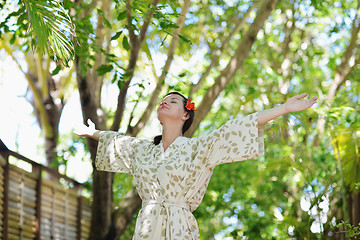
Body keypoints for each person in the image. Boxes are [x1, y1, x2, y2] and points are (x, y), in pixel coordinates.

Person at [73, 92, 317, 240]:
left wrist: (283, 108)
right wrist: (92, 132)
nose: (165, 102)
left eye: (173, 101)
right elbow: (117, 141)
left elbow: (234, 128)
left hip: (180, 225)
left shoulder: (199, 147)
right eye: (163, 101)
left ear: (185, 115)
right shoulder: (142, 148)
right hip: (148, 225)